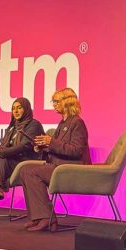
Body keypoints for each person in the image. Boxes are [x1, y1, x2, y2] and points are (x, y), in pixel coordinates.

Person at [21, 88, 90, 232]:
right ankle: (38, 217)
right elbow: (58, 148)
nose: (54, 105)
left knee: (31, 172)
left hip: (72, 169)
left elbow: (76, 151)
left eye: (57, 101)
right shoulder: (62, 123)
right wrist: (42, 147)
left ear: (68, 102)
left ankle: (47, 218)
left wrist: (51, 142)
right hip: (60, 166)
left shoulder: (77, 123)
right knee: (25, 170)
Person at [0, 98, 44, 221]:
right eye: (13, 108)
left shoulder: (34, 124)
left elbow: (25, 146)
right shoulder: (12, 127)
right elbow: (3, 146)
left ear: (26, 109)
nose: (15, 111)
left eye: (19, 108)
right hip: (12, 161)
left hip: (27, 161)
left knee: (0, 159)